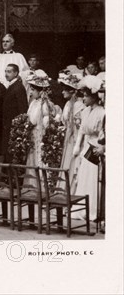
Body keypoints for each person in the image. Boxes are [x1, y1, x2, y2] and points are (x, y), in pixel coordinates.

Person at [71, 76, 105, 221]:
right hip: (86, 148)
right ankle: (81, 209)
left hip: (96, 148)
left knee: (93, 178)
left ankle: (94, 210)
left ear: (94, 97)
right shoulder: (85, 111)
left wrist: (102, 147)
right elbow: (81, 131)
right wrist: (77, 147)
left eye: (86, 96)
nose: (83, 98)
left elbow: (103, 134)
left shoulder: (102, 112)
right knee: (83, 178)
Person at [24, 70, 57, 185]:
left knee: (40, 159)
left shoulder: (44, 104)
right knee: (32, 160)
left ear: (40, 90)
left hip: (40, 135)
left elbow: (45, 122)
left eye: (33, 90)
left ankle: (42, 185)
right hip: (33, 135)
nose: (31, 92)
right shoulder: (34, 103)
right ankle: (32, 184)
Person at [57, 72, 84, 193]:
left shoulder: (79, 105)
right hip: (68, 137)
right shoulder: (68, 104)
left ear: (73, 91)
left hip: (75, 138)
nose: (62, 92)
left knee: (73, 161)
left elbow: (79, 126)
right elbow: (66, 122)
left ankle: (71, 191)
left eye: (65, 90)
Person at [2, 64, 29, 163]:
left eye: (9, 72)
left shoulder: (18, 87)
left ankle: (14, 176)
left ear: (16, 73)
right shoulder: (12, 85)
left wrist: (19, 127)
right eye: (5, 71)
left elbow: (22, 108)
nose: (6, 74)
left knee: (13, 153)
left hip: (14, 126)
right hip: (9, 124)